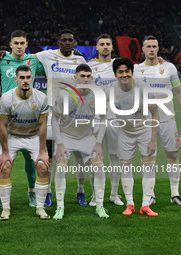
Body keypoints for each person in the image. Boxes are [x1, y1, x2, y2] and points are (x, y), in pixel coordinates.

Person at [134, 35, 181, 206]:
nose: (151, 49)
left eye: (154, 46)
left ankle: (175, 193)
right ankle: (150, 194)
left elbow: (179, 92)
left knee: (173, 154)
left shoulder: (169, 68)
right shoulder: (136, 69)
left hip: (168, 119)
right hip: (146, 121)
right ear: (143, 49)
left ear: (158, 48)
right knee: (148, 157)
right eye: (148, 46)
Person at [0, 30, 46, 209]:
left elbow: (53, 67)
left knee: (31, 160)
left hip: (29, 117)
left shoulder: (34, 61)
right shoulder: (1, 60)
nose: (19, 46)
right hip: (6, 117)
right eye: (15, 43)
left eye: (22, 43)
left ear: (26, 44)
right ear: (10, 44)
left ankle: (32, 193)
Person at [34, 29, 87, 207]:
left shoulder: (80, 60)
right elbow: (26, 56)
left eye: (69, 40)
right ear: (58, 41)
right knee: (50, 155)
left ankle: (80, 191)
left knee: (78, 155)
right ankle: (48, 192)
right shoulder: (48, 55)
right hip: (52, 112)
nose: (66, 42)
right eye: (63, 40)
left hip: (74, 113)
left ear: (74, 42)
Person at [51, 64, 108, 219]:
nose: (85, 79)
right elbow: (54, 119)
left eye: (88, 76)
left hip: (87, 137)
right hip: (66, 137)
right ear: (75, 78)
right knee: (61, 169)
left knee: (100, 168)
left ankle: (100, 206)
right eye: (82, 76)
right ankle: (60, 207)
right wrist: (60, 144)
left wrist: (98, 143)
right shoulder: (65, 95)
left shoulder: (98, 95)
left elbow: (103, 119)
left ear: (92, 78)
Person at [109, 57, 160, 216]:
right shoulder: (110, 90)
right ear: (116, 74)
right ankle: (130, 204)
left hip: (144, 131)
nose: (124, 75)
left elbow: (156, 113)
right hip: (124, 133)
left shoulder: (143, 88)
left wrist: (152, 140)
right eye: (120, 72)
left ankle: (145, 204)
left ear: (132, 72)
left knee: (148, 166)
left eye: (127, 71)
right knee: (126, 167)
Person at [0, 65, 49, 220]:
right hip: (13, 136)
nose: (25, 81)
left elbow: (43, 125)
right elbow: (3, 125)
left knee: (42, 167)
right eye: (22, 78)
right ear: (16, 79)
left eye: (28, 77)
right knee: (5, 166)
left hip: (33, 136)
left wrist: (42, 151)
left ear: (32, 79)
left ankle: (40, 208)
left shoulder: (41, 98)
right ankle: (5, 209)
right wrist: (5, 152)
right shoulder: (6, 98)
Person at [87, 34, 123, 206]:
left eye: (108, 44)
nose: (105, 47)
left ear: (112, 47)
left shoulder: (120, 64)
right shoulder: (89, 66)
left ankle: (114, 194)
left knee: (116, 157)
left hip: (115, 117)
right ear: (97, 47)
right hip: (95, 116)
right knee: (94, 157)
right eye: (102, 44)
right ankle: (95, 195)